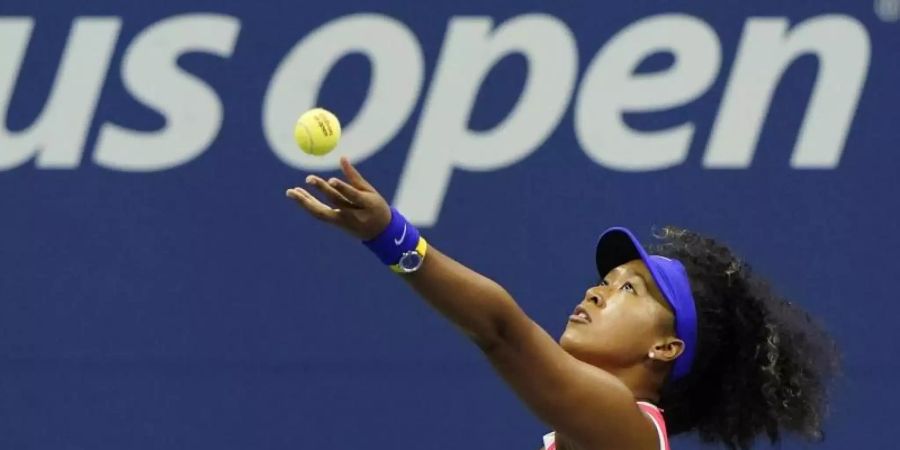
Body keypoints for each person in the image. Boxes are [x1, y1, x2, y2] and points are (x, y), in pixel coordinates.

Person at [285, 157, 838, 450]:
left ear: (666, 347)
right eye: (607, 279)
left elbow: (501, 330)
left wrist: (393, 238)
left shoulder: (632, 432)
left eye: (630, 289)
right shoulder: (582, 433)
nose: (597, 290)